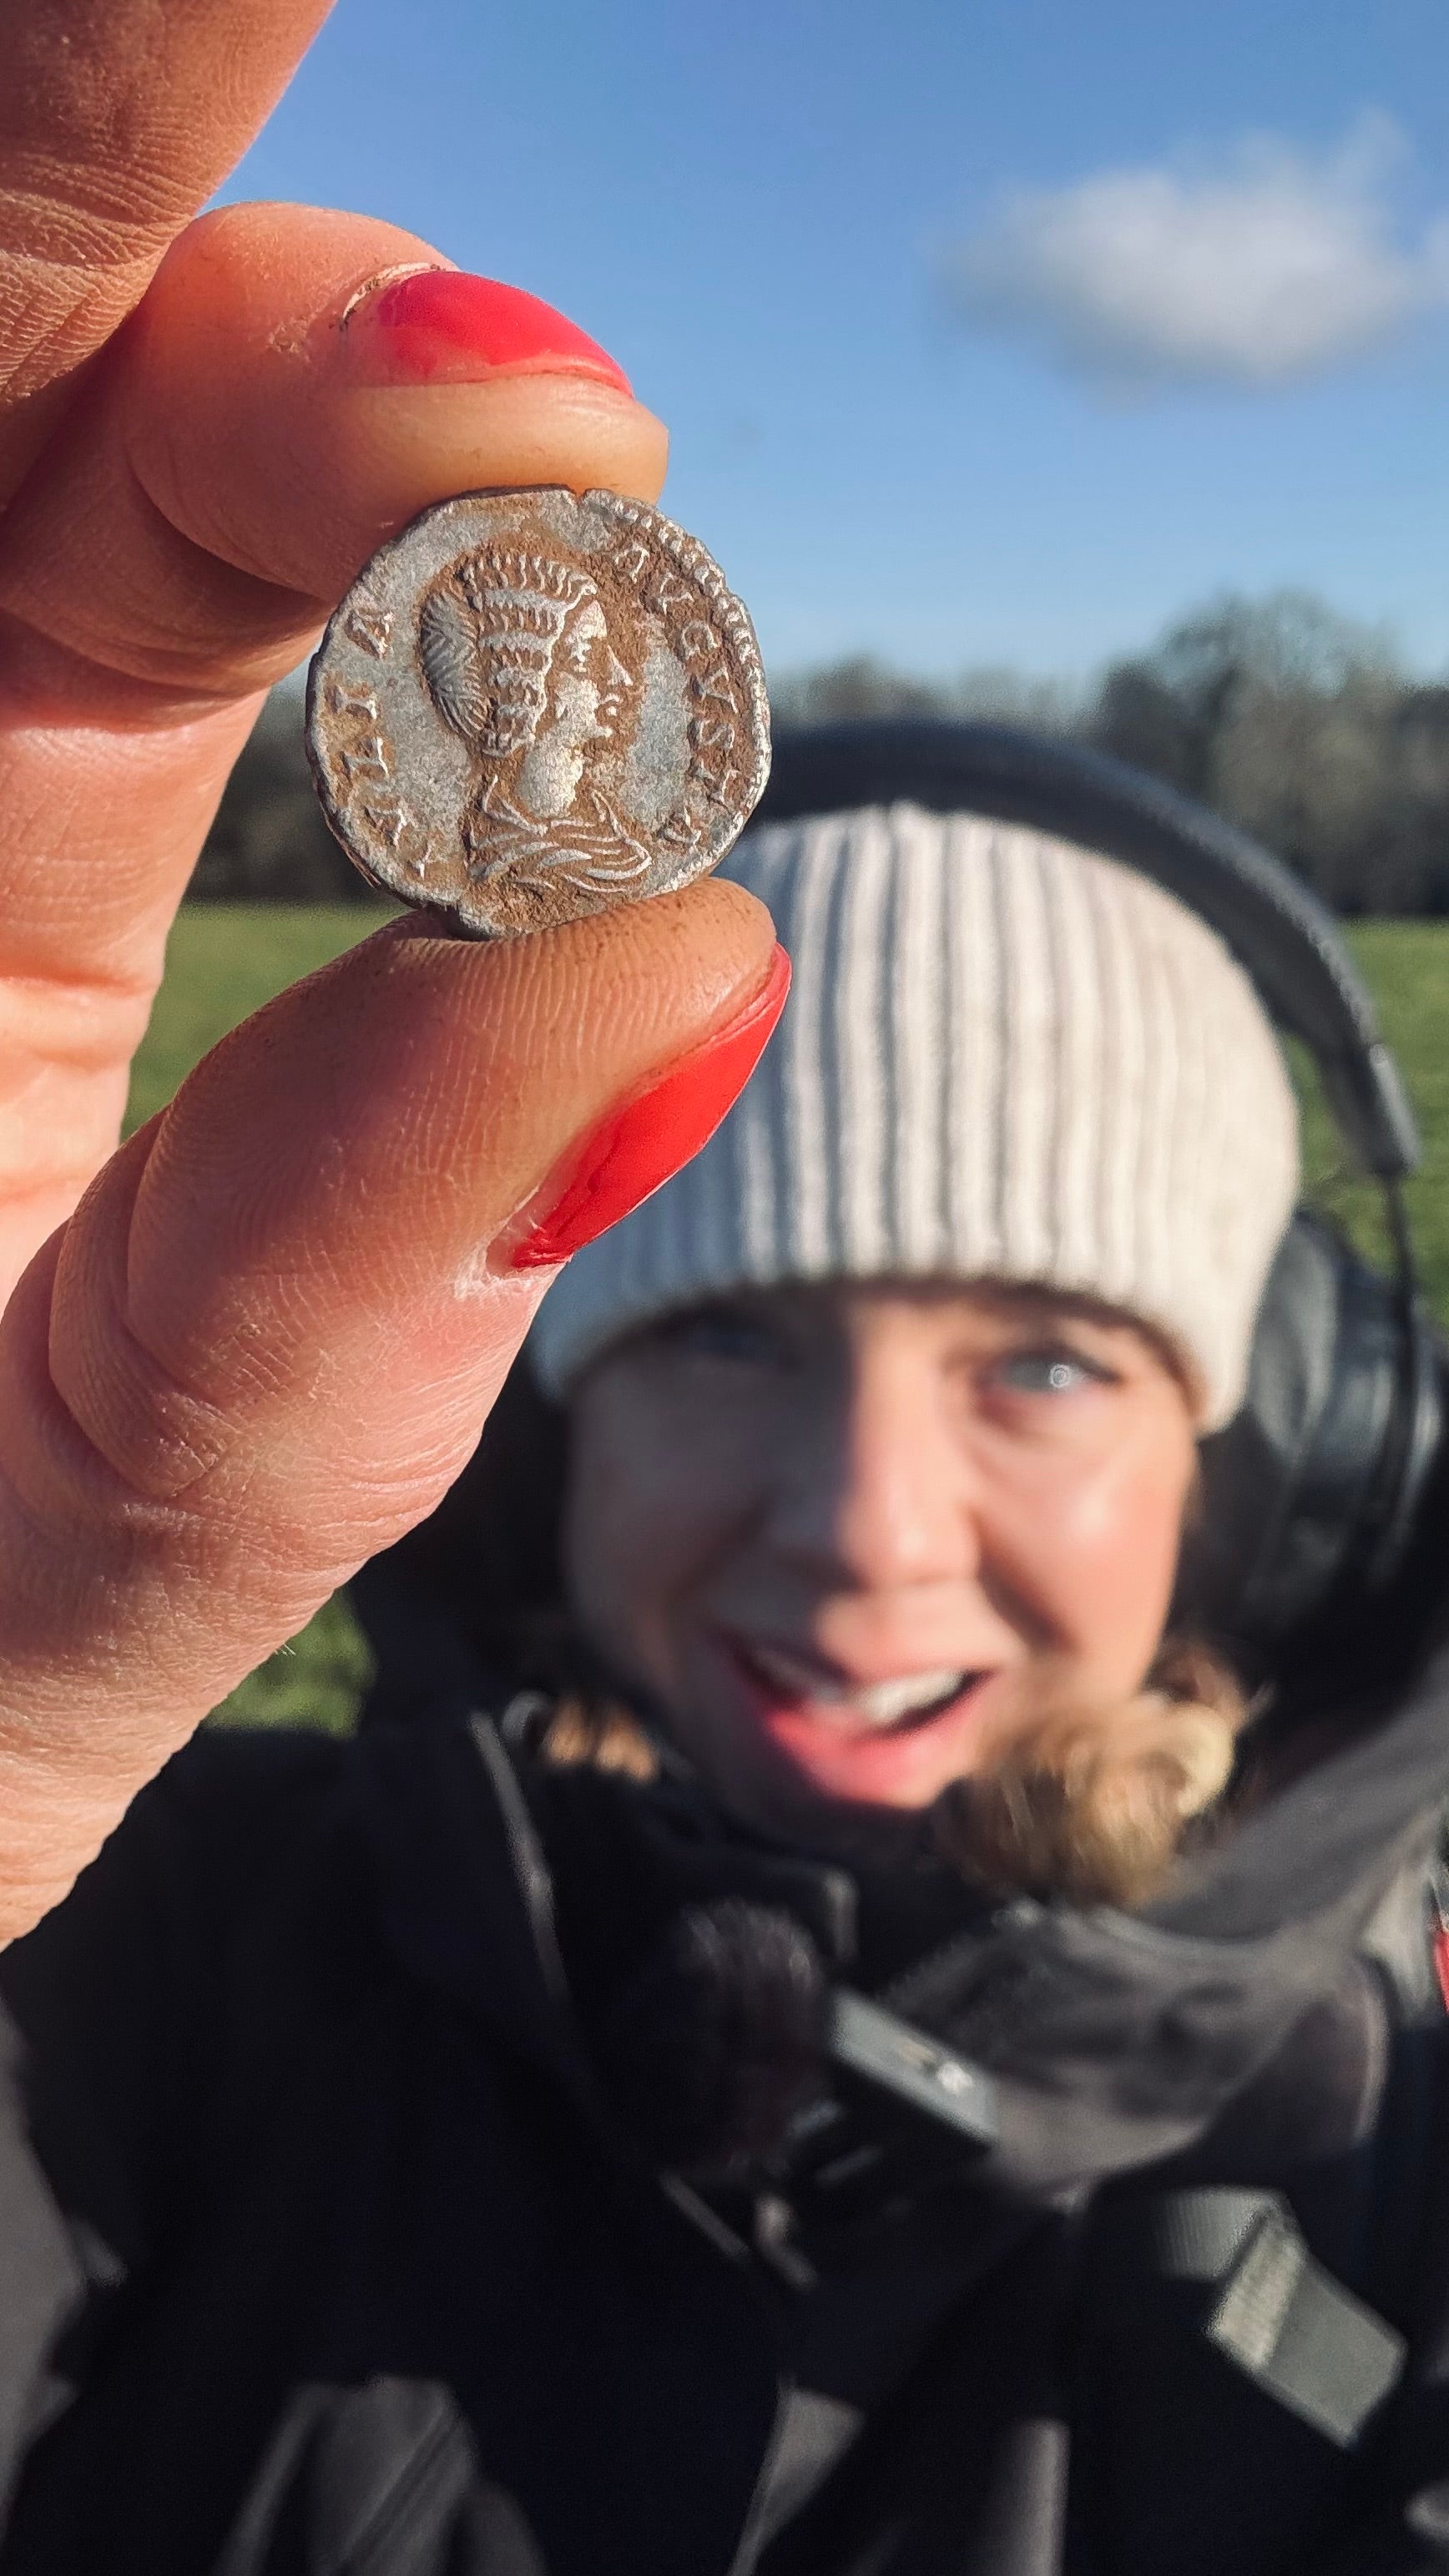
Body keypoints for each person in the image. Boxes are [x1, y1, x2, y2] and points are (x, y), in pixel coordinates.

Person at [3, 8, 1449, 2574]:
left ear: (1281, 1444)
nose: (868, 1532)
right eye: (734, 1334)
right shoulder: (143, 1959)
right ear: (545, 1415)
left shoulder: (1398, 2175)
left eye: (1043, 1362)